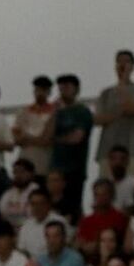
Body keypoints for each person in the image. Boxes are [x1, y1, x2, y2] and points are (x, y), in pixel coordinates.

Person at [94, 50, 134, 179]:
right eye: (119, 61)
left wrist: (123, 83)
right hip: (107, 150)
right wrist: (120, 112)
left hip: (132, 149)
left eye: (126, 61)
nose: (122, 64)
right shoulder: (106, 93)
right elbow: (97, 120)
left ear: (133, 66)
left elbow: (133, 109)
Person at [50, 74, 94, 211]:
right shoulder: (57, 112)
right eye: (61, 88)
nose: (63, 91)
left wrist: (57, 139)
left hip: (75, 169)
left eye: (67, 87)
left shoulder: (82, 111)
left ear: (76, 89)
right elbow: (46, 136)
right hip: (56, 168)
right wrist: (53, 113)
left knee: (72, 208)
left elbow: (77, 138)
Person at [14, 76, 56, 175]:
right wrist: (41, 139)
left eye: (43, 90)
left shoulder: (55, 113)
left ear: (49, 92)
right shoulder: (23, 112)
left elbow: (51, 140)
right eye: (37, 90)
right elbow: (16, 139)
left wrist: (28, 138)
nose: (40, 93)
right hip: (25, 164)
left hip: (46, 164)